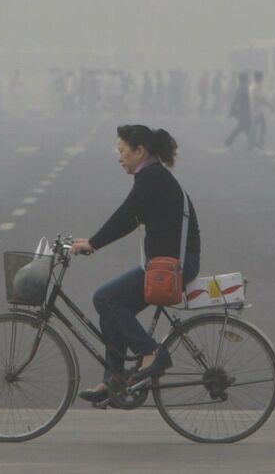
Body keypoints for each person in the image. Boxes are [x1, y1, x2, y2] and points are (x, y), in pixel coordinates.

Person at [70, 125, 201, 406]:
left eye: (122, 151)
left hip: (173, 268)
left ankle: (152, 353)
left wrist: (93, 243)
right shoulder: (152, 177)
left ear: (140, 151)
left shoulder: (151, 178)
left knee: (105, 298)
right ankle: (115, 379)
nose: (119, 158)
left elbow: (126, 215)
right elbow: (131, 218)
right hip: (164, 265)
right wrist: (93, 241)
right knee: (111, 303)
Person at [224, 72, 252, 148]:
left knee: (245, 128)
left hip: (243, 111)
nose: (249, 79)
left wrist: (232, 110)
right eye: (247, 78)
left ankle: (229, 141)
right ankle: (229, 141)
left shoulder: (240, 88)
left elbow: (235, 100)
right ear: (245, 79)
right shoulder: (244, 88)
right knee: (243, 127)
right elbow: (248, 100)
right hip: (245, 111)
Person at [249, 71, 269, 148]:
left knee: (260, 125)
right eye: (261, 77)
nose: (262, 79)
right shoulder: (256, 87)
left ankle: (257, 141)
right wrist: (270, 105)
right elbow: (261, 98)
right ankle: (254, 143)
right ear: (258, 78)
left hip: (254, 108)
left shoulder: (252, 86)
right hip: (255, 109)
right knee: (255, 126)